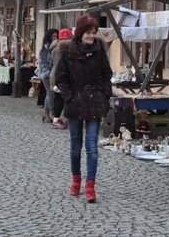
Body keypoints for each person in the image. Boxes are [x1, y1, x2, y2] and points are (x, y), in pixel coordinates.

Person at [53, 15, 113, 203]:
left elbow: (107, 74)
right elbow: (60, 78)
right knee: (75, 147)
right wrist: (69, 97)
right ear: (80, 33)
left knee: (92, 147)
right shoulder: (68, 51)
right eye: (88, 32)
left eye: (94, 33)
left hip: (94, 102)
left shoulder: (99, 50)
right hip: (75, 104)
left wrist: (105, 94)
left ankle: (90, 185)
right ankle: (76, 180)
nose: (91, 36)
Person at [51, 28, 73, 129]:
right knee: (62, 99)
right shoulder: (64, 48)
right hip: (61, 75)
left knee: (58, 99)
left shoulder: (54, 47)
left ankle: (56, 119)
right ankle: (59, 120)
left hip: (54, 73)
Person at [38, 28, 59, 122]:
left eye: (56, 36)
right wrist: (46, 74)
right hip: (46, 73)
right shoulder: (45, 48)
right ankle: (51, 113)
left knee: (48, 93)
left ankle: (45, 114)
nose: (55, 38)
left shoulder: (55, 46)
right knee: (51, 93)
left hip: (52, 73)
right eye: (53, 36)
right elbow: (42, 63)